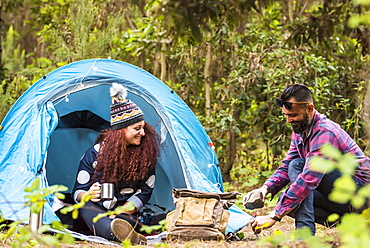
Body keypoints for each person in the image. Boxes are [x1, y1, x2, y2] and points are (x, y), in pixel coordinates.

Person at [245, 84, 370, 235]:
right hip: (344, 197)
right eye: (286, 115)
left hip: (363, 194)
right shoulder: (300, 129)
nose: (289, 120)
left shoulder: (324, 131)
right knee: (284, 199)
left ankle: (304, 236)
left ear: (309, 109)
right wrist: (265, 189)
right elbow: (286, 167)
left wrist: (274, 216)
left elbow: (310, 177)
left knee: (298, 167)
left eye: (293, 115)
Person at [72, 83, 160, 245]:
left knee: (125, 219)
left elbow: (144, 191)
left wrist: (121, 210)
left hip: (125, 211)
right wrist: (88, 195)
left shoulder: (145, 157)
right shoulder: (94, 153)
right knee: (87, 209)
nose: (142, 133)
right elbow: (77, 192)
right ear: (121, 131)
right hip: (96, 210)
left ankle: (118, 231)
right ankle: (116, 234)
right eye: (137, 128)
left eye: (143, 128)